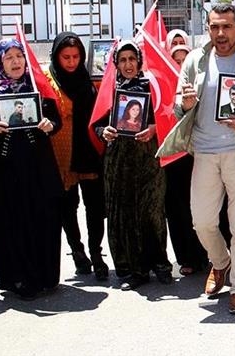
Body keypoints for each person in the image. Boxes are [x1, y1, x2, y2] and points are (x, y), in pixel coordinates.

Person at [158, 4, 235, 315]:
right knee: (202, 221)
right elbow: (176, 105)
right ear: (209, 29)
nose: (221, 33)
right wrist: (184, 104)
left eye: (226, 26)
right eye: (215, 27)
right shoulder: (196, 60)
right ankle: (221, 262)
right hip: (204, 152)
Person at [0, 38, 62, 300]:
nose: (16, 62)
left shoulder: (37, 86)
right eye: (9, 57)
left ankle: (46, 276)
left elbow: (57, 121)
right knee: (12, 224)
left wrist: (49, 125)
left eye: (19, 56)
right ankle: (19, 279)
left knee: (43, 220)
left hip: (38, 169)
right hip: (5, 173)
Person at [95, 41, 173, 291]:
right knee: (124, 214)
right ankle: (132, 269)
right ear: (116, 64)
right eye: (123, 60)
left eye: (132, 59)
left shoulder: (152, 87)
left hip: (148, 157)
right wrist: (103, 131)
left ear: (139, 61)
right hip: (118, 161)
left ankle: (160, 264)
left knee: (152, 212)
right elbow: (96, 122)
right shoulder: (109, 90)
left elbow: (167, 117)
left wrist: (154, 129)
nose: (128, 64)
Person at [45, 32, 108, 281]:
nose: (71, 62)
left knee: (95, 207)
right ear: (56, 57)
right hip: (61, 152)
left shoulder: (90, 79)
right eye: (66, 57)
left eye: (76, 56)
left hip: (89, 149)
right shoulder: (47, 81)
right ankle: (78, 252)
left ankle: (96, 254)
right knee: (67, 207)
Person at [162, 41, 208, 278]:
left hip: (198, 152)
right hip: (173, 156)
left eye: (183, 60)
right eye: (175, 60)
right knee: (176, 208)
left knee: (200, 208)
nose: (179, 66)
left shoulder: (200, 81)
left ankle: (206, 254)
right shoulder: (158, 81)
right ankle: (186, 258)